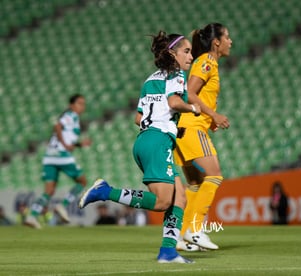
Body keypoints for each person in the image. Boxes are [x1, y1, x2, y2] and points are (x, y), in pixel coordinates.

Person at [78, 31, 201, 264]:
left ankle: (168, 251)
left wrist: (170, 126)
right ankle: (106, 191)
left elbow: (138, 117)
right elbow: (175, 102)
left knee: (179, 197)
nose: (190, 56)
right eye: (186, 51)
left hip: (146, 139)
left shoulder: (150, 79)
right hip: (158, 142)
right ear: (172, 53)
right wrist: (193, 109)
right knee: (163, 202)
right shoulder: (176, 74)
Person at [173, 22, 232, 251]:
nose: (230, 42)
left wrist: (210, 119)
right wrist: (213, 115)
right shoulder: (207, 61)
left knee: (195, 184)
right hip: (192, 127)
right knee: (215, 175)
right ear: (216, 41)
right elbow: (189, 93)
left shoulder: (206, 62)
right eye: (227, 37)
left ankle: (180, 235)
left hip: (185, 128)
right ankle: (196, 229)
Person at [24, 94, 91, 229]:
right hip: (62, 155)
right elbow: (58, 126)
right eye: (79, 103)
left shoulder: (71, 117)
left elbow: (65, 136)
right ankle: (62, 205)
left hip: (50, 156)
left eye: (83, 104)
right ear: (72, 105)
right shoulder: (71, 115)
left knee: (49, 190)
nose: (82, 106)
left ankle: (32, 215)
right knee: (82, 181)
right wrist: (65, 145)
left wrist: (78, 144)